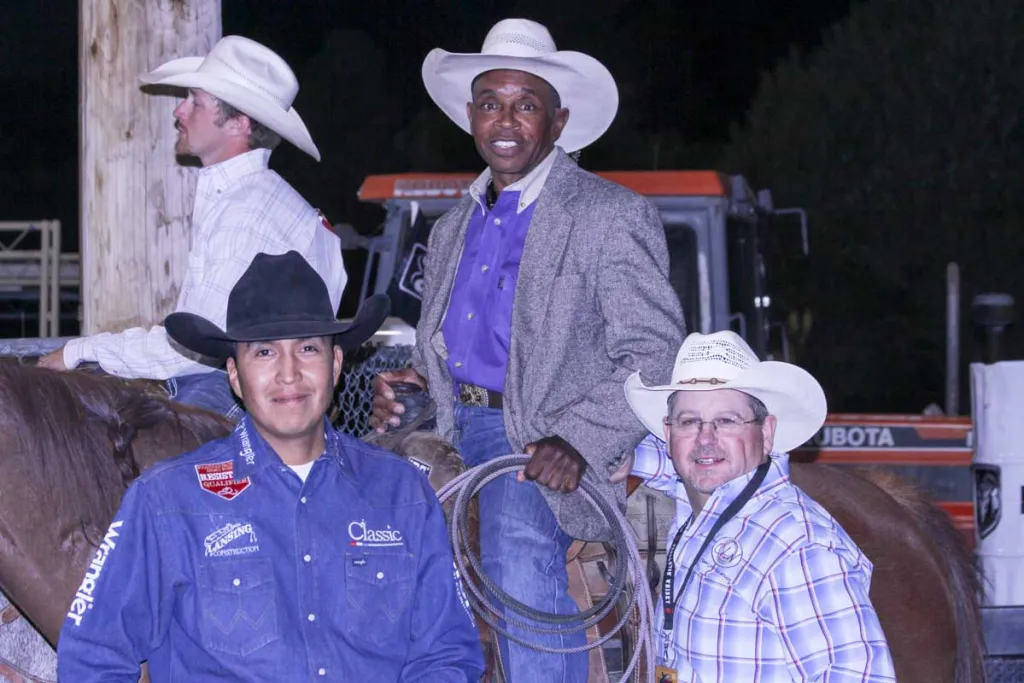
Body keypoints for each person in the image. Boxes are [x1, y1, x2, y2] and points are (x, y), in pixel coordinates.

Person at [371, 18, 685, 682]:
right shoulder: (455, 224)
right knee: (351, 521)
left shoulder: (607, 215)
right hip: (455, 426)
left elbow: (657, 351)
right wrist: (418, 384)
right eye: (491, 103)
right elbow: (460, 349)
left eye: (526, 104)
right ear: (471, 116)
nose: (505, 120)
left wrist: (573, 437)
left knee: (516, 548)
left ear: (558, 120)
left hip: (539, 443)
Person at [55, 250, 484, 682]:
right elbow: (93, 654)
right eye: (264, 353)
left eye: (308, 348)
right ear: (235, 375)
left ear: (335, 365)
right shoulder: (167, 502)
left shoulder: (402, 494)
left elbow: (446, 654)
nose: (289, 374)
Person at [38, 36, 346, 422]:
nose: (179, 112)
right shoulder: (266, 201)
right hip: (263, 390)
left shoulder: (245, 212)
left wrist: (77, 353)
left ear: (238, 122)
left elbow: (194, 346)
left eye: (194, 101)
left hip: (237, 392)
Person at [625, 330, 896, 682]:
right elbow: (675, 464)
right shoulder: (703, 508)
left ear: (766, 433)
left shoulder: (798, 545)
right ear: (668, 432)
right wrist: (609, 455)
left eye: (726, 421)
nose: (706, 439)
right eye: (690, 422)